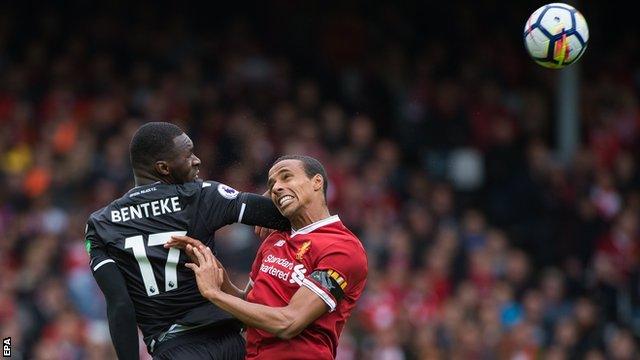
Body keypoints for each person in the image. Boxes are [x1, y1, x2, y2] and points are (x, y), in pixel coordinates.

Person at [85, 122, 290, 360]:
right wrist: (274, 197)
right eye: (188, 155)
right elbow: (284, 216)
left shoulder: (102, 224)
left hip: (175, 349)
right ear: (163, 168)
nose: (197, 160)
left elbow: (120, 305)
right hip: (231, 345)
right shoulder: (200, 195)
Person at [168, 155, 368, 359]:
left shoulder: (343, 248)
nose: (276, 188)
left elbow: (289, 323)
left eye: (286, 177)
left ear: (317, 182)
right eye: (272, 184)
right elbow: (248, 309)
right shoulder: (274, 240)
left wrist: (215, 294)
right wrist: (207, 260)